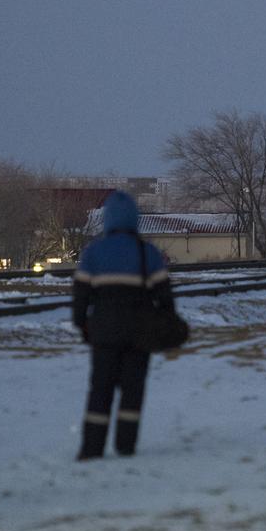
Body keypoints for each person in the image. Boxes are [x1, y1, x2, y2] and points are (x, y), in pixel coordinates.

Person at [71, 190, 176, 460]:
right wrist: (166, 324)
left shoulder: (94, 253)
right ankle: (125, 445)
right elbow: (164, 295)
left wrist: (82, 324)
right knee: (132, 390)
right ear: (135, 218)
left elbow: (81, 295)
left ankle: (92, 448)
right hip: (139, 334)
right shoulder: (147, 253)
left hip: (103, 332)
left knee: (101, 390)